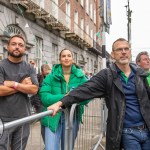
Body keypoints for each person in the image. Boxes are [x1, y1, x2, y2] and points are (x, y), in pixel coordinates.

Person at [47, 38, 150, 150]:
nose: (123, 52)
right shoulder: (107, 75)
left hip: (147, 130)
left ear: (130, 52)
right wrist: (61, 103)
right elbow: (84, 89)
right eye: (119, 49)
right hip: (127, 132)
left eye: (126, 49)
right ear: (113, 54)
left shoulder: (140, 74)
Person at [39, 48, 89, 150]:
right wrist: (66, 97)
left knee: (67, 147)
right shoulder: (50, 76)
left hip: (72, 117)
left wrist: (68, 98)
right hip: (52, 117)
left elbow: (87, 96)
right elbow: (44, 97)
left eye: (69, 56)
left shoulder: (80, 77)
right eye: (63, 56)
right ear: (60, 59)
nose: (66, 58)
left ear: (73, 59)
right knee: (51, 148)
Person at [0, 35, 39, 150]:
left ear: (25, 49)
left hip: (23, 119)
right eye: (14, 44)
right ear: (7, 47)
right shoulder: (1, 66)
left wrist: (13, 84)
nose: (17, 47)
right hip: (3, 119)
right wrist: (22, 85)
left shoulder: (29, 68)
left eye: (21, 45)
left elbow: (34, 89)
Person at [30, 64, 51, 145]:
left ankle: (48, 144)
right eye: (46, 71)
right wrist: (38, 105)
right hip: (40, 103)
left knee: (46, 124)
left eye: (48, 71)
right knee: (44, 123)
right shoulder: (38, 78)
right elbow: (35, 92)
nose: (48, 73)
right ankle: (47, 144)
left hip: (47, 104)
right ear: (42, 71)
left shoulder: (50, 78)